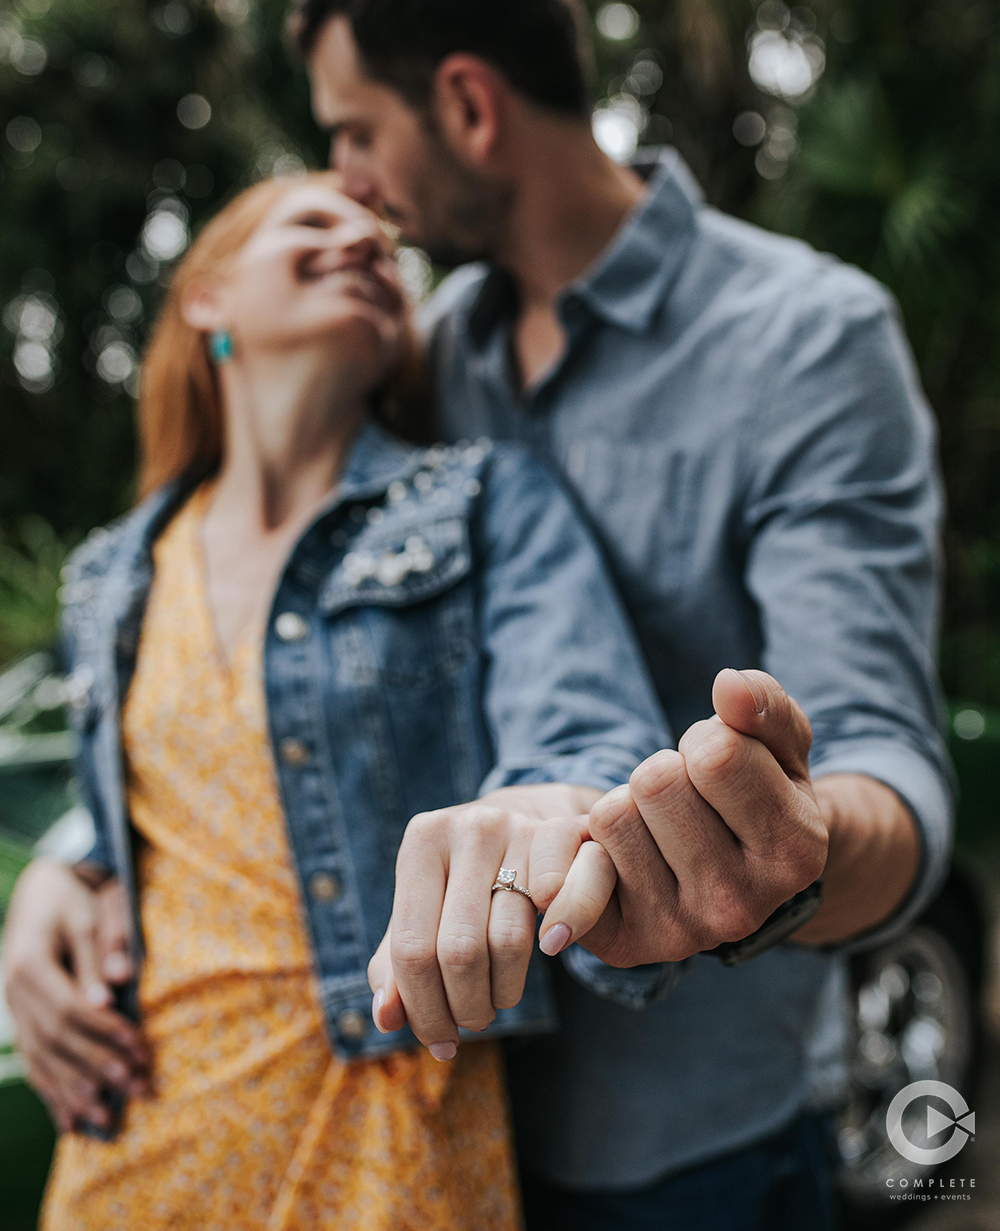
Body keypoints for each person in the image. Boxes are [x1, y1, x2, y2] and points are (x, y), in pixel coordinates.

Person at [5, 0, 954, 1229]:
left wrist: (789, 854)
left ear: (465, 105)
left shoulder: (809, 338)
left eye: (354, 137)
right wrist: (74, 857)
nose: (346, 190)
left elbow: (886, 770)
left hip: (683, 1147)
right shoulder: (423, 359)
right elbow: (261, 700)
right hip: (436, 1106)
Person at [19, 170, 671, 1230]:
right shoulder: (112, 573)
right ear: (207, 299)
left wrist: (552, 812)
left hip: (386, 1118)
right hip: (144, 1127)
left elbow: (581, 737)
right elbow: (141, 800)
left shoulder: (485, 500)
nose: (366, 246)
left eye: (382, 243)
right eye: (315, 224)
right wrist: (58, 871)